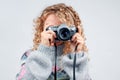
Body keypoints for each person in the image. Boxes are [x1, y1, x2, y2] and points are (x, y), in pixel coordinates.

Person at [16, 3, 91, 80]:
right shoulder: (30, 57)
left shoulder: (76, 58)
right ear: (42, 29)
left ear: (73, 30)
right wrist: (42, 52)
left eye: (62, 28)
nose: (57, 32)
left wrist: (76, 55)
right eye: (52, 28)